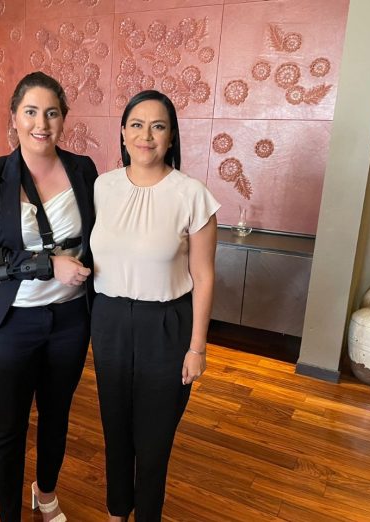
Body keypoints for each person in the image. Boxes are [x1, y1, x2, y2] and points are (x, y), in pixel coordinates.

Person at [0, 71, 97, 522]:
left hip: (71, 320)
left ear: (64, 119)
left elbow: (101, 234)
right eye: (31, 111)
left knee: (56, 417)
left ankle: (46, 493)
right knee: (8, 426)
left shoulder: (83, 169)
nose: (41, 123)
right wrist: (48, 265)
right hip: (11, 322)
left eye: (52, 113)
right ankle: (8, 514)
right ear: (14, 117)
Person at [89, 90, 220, 521]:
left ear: (171, 136)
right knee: (115, 431)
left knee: (153, 442)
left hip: (166, 325)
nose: (146, 135)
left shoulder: (192, 194)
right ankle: (116, 513)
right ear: (123, 132)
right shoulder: (102, 187)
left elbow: (204, 276)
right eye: (137, 125)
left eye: (158, 126)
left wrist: (197, 347)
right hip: (109, 321)